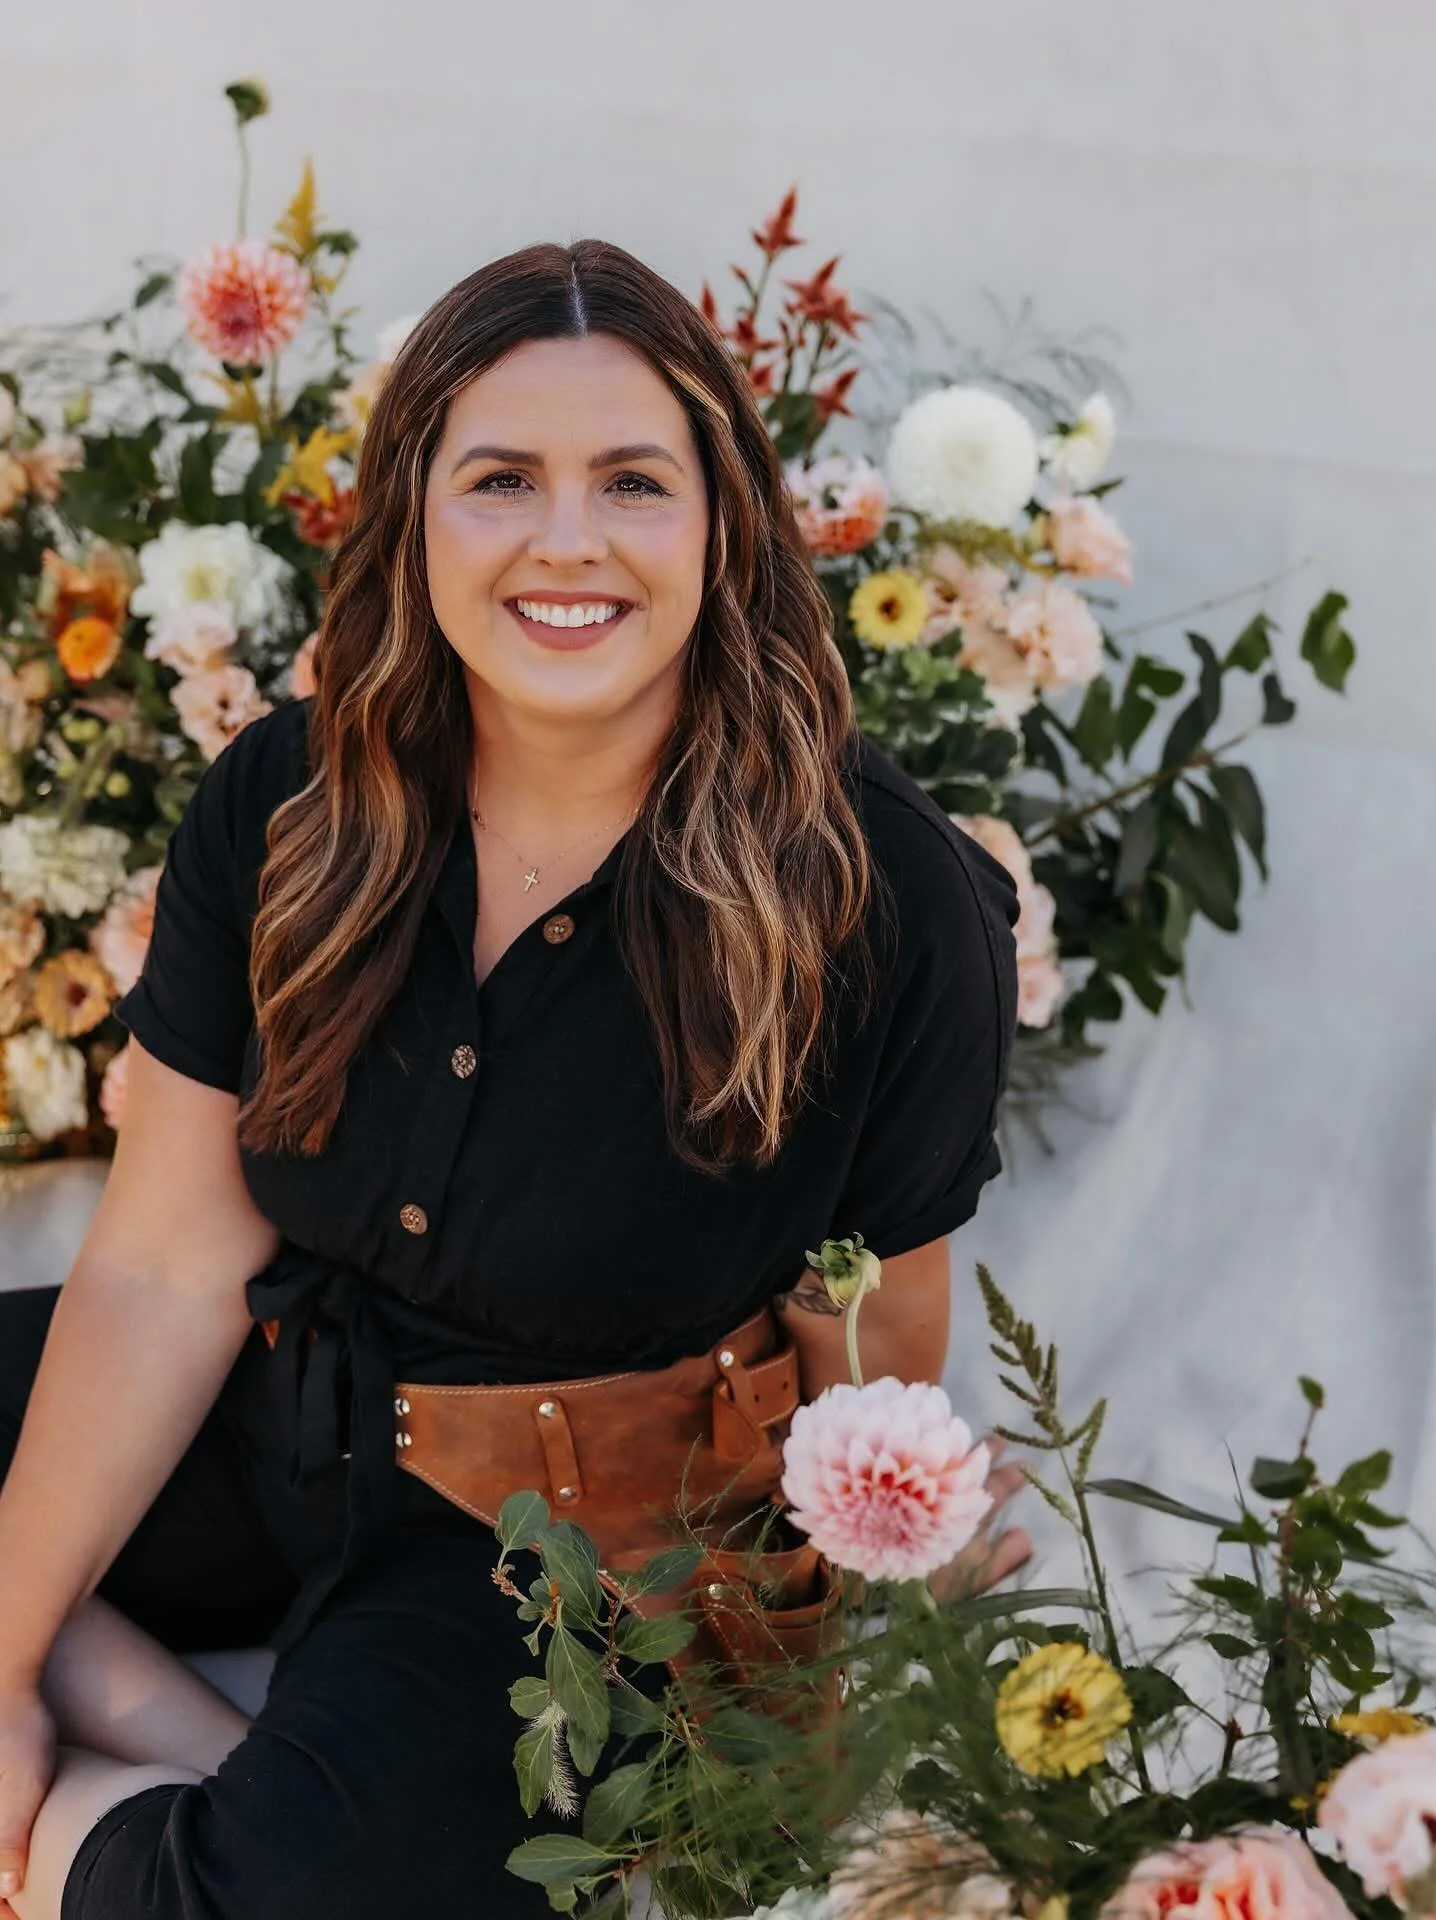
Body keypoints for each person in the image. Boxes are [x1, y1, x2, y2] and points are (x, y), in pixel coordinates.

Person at [0, 238, 1028, 1919]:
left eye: (633, 481)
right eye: (502, 480)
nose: (569, 542)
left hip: (557, 1543)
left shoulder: (882, 903)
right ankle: (139, 1718)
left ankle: (170, 1823)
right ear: (414, 514)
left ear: (723, 521)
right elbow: (163, 1267)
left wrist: (810, 1723)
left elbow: (870, 1377)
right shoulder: (289, 803)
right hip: (267, 1402)